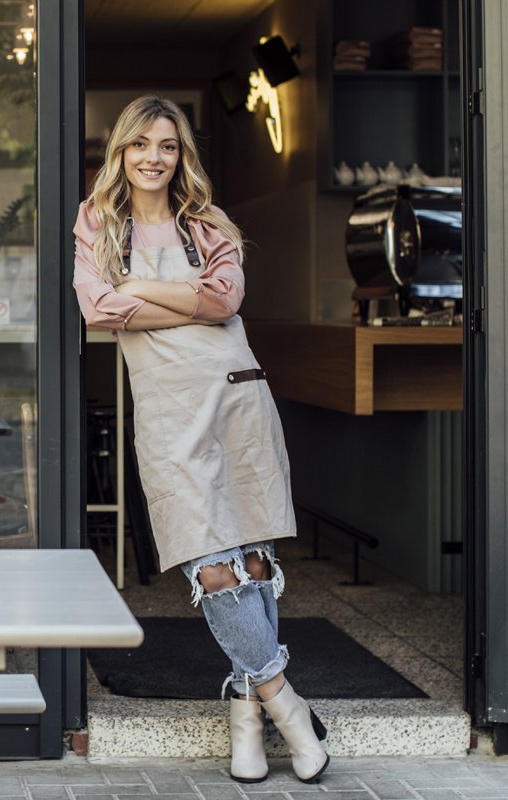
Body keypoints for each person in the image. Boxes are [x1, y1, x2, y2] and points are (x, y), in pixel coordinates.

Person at [72, 96, 328, 785]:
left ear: (182, 156)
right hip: (166, 409)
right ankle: (285, 703)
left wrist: (141, 289)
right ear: (120, 152)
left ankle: (246, 714)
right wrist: (180, 297)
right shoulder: (98, 222)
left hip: (235, 394)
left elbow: (225, 301)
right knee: (209, 564)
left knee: (248, 560)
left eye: (168, 146)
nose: (154, 158)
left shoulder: (205, 222)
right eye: (140, 145)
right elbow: (99, 307)